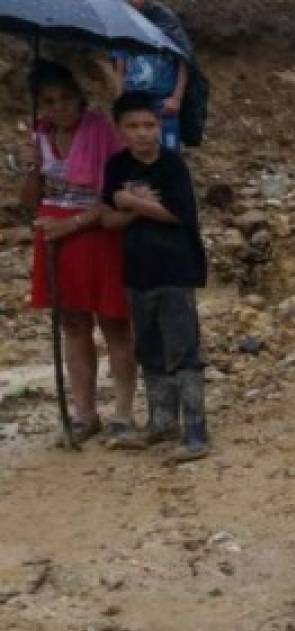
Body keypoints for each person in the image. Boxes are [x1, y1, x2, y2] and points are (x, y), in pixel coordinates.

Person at [17, 61, 135, 445]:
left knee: (114, 322)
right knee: (72, 325)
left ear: (79, 98)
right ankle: (85, 413)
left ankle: (123, 411)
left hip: (96, 232)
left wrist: (71, 224)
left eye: (66, 98)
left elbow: (115, 195)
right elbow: (29, 204)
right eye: (49, 101)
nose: (59, 108)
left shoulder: (101, 130)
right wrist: (31, 167)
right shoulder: (41, 138)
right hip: (53, 237)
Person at [101, 91, 210, 462]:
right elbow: (108, 217)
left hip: (175, 268)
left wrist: (132, 202)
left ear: (160, 127)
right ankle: (162, 421)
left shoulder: (172, 165)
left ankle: (195, 427)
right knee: (148, 346)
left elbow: (178, 213)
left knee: (182, 347)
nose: (142, 133)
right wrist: (135, 209)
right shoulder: (116, 166)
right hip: (137, 269)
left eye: (149, 125)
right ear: (119, 130)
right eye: (133, 126)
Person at [111, 0, 193, 151]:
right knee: (134, 150)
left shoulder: (166, 20)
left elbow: (183, 60)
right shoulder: (123, 24)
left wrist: (177, 98)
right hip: (133, 100)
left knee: (168, 151)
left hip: (163, 101)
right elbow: (119, 70)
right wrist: (119, 103)